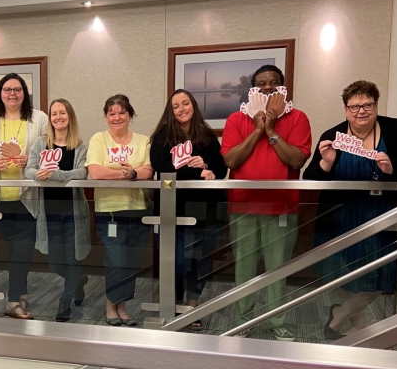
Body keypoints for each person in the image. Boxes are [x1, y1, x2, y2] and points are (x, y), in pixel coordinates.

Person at [304, 80, 397, 337]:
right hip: (341, 217)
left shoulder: (396, 129)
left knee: (379, 277)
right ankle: (360, 327)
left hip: (382, 216)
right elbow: (310, 179)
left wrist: (393, 167)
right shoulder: (333, 135)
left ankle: (339, 316)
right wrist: (326, 163)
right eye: (354, 106)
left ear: (375, 105)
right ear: (345, 109)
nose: (361, 111)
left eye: (367, 105)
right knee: (344, 275)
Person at [221, 64, 312, 340]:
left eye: (274, 82)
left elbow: (297, 159)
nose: (268, 87)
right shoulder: (237, 119)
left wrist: (271, 130)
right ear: (253, 89)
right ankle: (243, 320)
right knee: (244, 266)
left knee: (277, 267)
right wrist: (257, 130)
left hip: (281, 206)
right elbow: (231, 159)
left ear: (283, 87)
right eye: (261, 83)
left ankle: (277, 321)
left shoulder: (298, 118)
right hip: (243, 206)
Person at [149, 90, 227, 327]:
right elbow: (161, 168)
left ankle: (192, 306)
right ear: (169, 111)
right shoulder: (162, 136)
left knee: (199, 259)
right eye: (176, 106)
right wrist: (196, 170)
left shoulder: (206, 136)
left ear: (193, 106)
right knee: (175, 259)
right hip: (171, 208)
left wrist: (207, 166)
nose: (182, 109)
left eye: (186, 103)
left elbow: (221, 170)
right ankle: (171, 306)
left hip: (202, 208)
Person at [0, 73, 48, 319]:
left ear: (24, 93)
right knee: (16, 251)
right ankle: (20, 293)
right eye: (7, 90)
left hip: (28, 198)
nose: (12, 94)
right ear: (0, 94)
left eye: (17, 89)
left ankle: (14, 300)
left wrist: (30, 159)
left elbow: (50, 151)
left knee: (22, 250)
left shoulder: (38, 119)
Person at [86, 94, 153, 326]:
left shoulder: (143, 140)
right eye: (111, 113)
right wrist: (126, 173)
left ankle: (122, 304)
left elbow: (148, 171)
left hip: (136, 209)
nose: (116, 117)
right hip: (109, 211)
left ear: (130, 115)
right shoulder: (99, 139)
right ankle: (110, 303)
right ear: (106, 117)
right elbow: (95, 172)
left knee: (131, 261)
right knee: (116, 259)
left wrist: (133, 173)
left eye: (121, 112)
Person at [24, 98, 91, 322]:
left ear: (69, 116)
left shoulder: (79, 145)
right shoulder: (41, 144)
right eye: (54, 113)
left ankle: (65, 302)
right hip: (48, 212)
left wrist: (56, 175)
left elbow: (82, 173)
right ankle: (79, 280)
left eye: (62, 113)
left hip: (73, 213)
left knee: (71, 260)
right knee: (54, 261)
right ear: (50, 118)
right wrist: (39, 175)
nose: (58, 117)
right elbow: (29, 170)